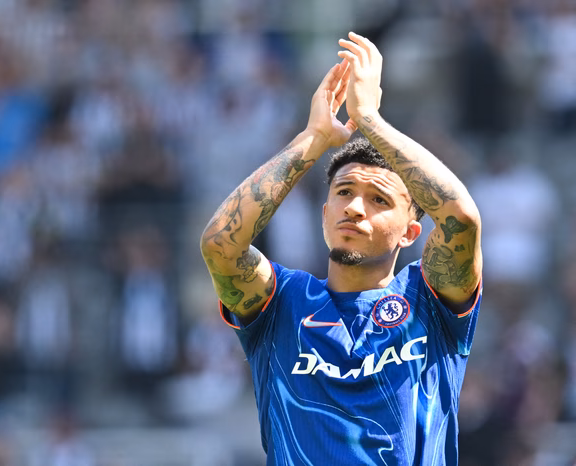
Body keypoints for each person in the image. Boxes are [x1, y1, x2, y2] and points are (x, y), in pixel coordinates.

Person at [199, 32, 482, 465]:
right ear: (324, 214)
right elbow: (220, 244)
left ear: (410, 232)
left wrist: (369, 119)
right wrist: (313, 139)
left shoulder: (430, 300)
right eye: (344, 192)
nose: (354, 207)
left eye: (379, 199)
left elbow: (460, 218)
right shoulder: (283, 303)